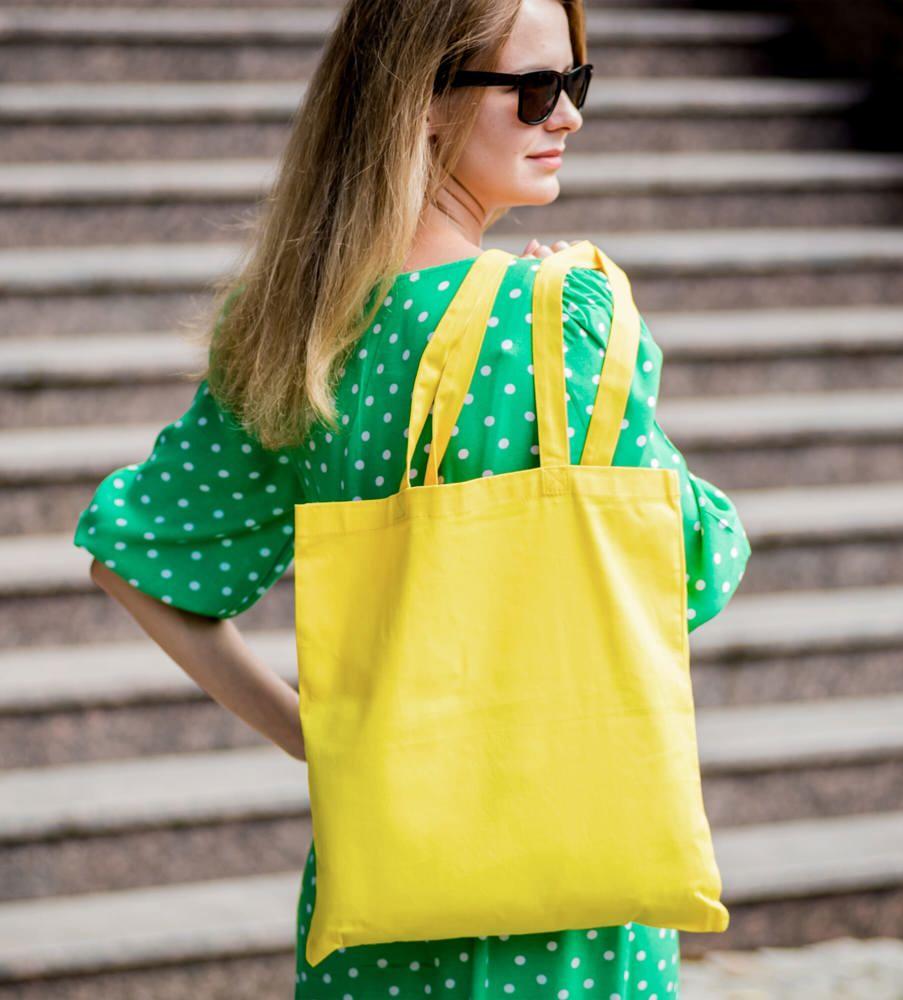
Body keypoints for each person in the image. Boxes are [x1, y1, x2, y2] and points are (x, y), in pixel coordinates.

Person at [73, 0, 752, 995]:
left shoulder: (295, 329)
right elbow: (694, 569)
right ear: (421, 102)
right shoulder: (561, 322)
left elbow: (135, 562)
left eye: (576, 83)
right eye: (535, 90)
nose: (567, 116)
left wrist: (317, 738)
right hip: (566, 905)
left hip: (379, 904)